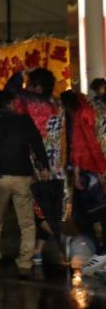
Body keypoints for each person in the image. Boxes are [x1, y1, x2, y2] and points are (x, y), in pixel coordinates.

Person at [0, 90, 49, 275]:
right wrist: (44, 167)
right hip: (22, 177)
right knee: (27, 223)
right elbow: (37, 144)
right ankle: (25, 262)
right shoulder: (23, 121)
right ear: (8, 103)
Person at [15, 68, 66, 265]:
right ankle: (38, 251)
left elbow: (11, 93)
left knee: (37, 212)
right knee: (51, 210)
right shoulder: (59, 105)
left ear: (37, 87)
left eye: (30, 84)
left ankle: (64, 242)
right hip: (57, 167)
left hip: (36, 166)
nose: (27, 88)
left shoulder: (29, 105)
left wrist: (19, 76)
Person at [61, 90, 106, 272]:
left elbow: (82, 145)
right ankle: (99, 252)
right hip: (95, 168)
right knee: (93, 213)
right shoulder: (93, 110)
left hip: (89, 170)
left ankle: (99, 252)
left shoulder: (81, 115)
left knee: (87, 214)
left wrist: (79, 171)